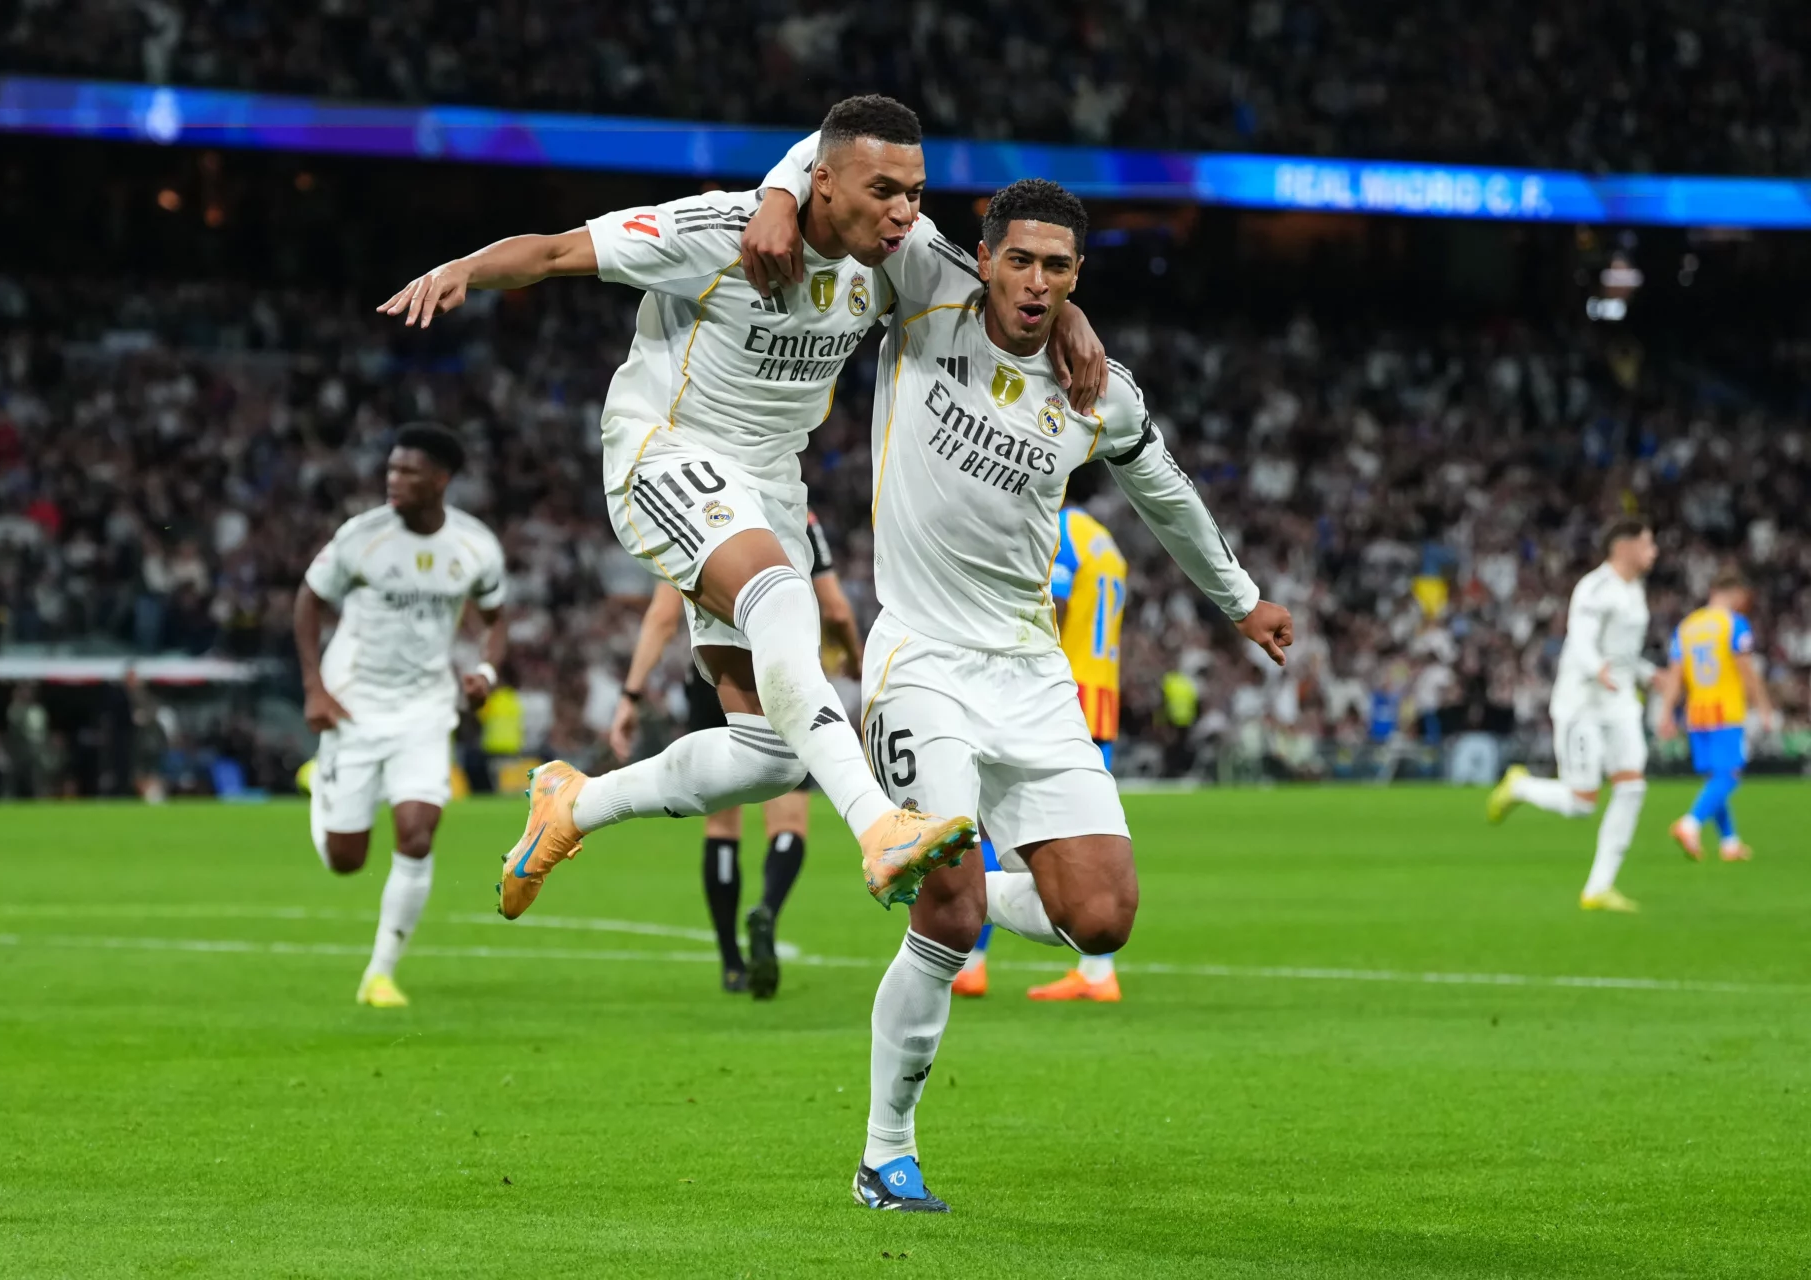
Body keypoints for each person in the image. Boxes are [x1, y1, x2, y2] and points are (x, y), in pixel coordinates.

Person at [377, 95, 1107, 919]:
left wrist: (1071, 314)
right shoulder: (716, 233)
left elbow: (1006, 281)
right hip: (665, 448)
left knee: (770, 758)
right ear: (823, 183)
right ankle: (879, 826)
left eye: (916, 190)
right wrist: (462, 270)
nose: (905, 211)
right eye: (884, 191)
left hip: (769, 481)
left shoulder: (898, 254)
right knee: (782, 601)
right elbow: (551, 252)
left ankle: (573, 806)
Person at [747, 166, 1293, 1211]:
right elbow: (852, 154)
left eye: (1059, 267)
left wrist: (1240, 598)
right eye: (1021, 259)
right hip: (920, 659)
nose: (1037, 282)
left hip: (1030, 672)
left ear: (1077, 275)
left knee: (1102, 916)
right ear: (984, 255)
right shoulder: (923, 281)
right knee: (948, 910)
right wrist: (780, 195)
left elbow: (1165, 491)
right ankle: (884, 1149)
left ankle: (950, 884)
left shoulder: (1099, 388)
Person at [294, 423, 508, 1008]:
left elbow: (495, 619)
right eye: (391, 469)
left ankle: (380, 973)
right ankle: (321, 781)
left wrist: (485, 673)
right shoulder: (360, 538)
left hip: (424, 708)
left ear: (441, 480)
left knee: (417, 831)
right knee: (346, 860)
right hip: (354, 705)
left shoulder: (475, 546)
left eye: (408, 471)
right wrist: (314, 687)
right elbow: (308, 601)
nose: (394, 480)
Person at [609, 511, 864, 996]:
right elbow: (835, 609)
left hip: (715, 673)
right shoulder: (799, 515)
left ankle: (730, 962)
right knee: (788, 818)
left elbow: (664, 615)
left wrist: (632, 694)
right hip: (784, 671)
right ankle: (767, 907)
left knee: (721, 821)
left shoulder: (698, 510)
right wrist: (854, 658)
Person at [955, 470, 1128, 1003]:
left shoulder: (1054, 531)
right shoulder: (1102, 537)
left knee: (990, 820)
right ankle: (1097, 972)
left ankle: (972, 960)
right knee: (1090, 830)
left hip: (1055, 700)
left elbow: (1047, 609)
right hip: (1100, 694)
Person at [1487, 519, 1657, 912]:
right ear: (1623, 546)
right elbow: (1579, 639)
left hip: (1619, 702)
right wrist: (1596, 667)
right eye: (1647, 542)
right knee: (1583, 802)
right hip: (1582, 702)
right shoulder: (1594, 588)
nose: (1655, 550)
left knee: (1632, 787)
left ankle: (1598, 889)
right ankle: (1521, 786)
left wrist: (1650, 675)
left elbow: (1625, 654)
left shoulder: (1634, 591)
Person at [1655, 569, 1776, 861]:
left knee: (1716, 777)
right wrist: (1763, 707)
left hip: (1696, 712)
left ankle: (1730, 843)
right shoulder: (1734, 624)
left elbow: (1675, 675)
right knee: (1730, 775)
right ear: (1735, 593)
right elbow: (1747, 669)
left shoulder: (1687, 626)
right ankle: (1690, 823)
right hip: (1725, 709)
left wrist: (1667, 712)